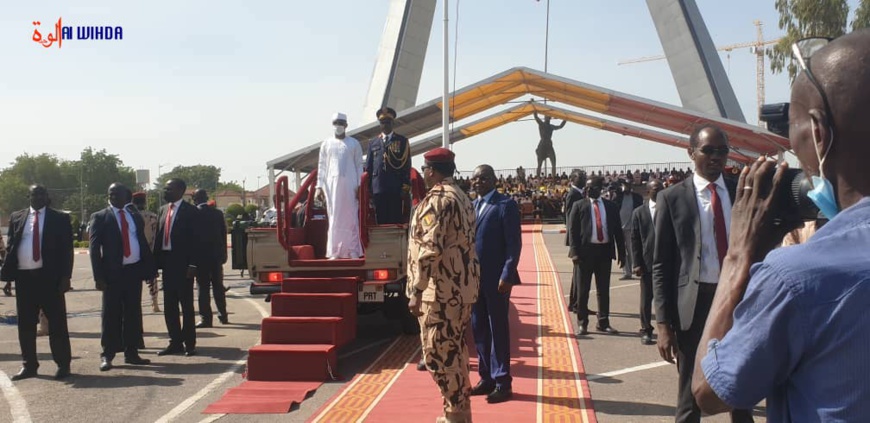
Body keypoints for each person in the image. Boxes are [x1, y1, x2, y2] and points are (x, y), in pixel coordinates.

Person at [692, 30, 870, 421]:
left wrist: (739, 254)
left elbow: (709, 391)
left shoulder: (796, 278)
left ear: (819, 133)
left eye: (791, 130)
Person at [652, 125, 752, 422]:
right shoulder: (672, 198)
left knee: (741, 387)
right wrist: (662, 324)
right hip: (693, 306)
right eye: (708, 150)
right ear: (691, 152)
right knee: (689, 395)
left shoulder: (741, 192)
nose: (716, 157)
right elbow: (661, 264)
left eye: (722, 151)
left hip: (737, 301)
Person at [407, 147, 479, 423]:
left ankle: (456, 413)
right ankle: (458, 411)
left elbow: (430, 248)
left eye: (425, 169)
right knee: (456, 351)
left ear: (432, 171)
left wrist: (416, 290)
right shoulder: (461, 196)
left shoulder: (437, 200)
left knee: (438, 354)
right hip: (462, 289)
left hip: (440, 291)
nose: (423, 174)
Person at [0, 184, 73, 380]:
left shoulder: (59, 218)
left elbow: (67, 250)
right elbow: (12, 247)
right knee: (26, 325)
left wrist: (66, 277)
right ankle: (29, 365)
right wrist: (8, 277)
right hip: (24, 279)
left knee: (57, 324)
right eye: (35, 194)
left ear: (47, 197)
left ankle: (63, 365)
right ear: (29, 196)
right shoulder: (17, 217)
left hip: (50, 279)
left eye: (42, 194)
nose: (38, 197)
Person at [469, 164, 522, 404]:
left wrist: (507, 274)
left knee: (497, 328)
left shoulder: (505, 205)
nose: (476, 183)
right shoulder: (473, 206)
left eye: (480, 179)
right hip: (474, 279)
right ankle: (486, 377)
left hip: (496, 279)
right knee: (479, 327)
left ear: (492, 180)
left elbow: (513, 244)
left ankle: (502, 381)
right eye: (474, 179)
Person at [88, 183, 154, 371]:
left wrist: (148, 269)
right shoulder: (100, 217)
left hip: (133, 271)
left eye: (118, 194)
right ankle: (107, 354)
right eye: (111, 194)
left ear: (127, 196)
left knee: (133, 313)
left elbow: (140, 241)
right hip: (112, 274)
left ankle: (131, 352)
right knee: (110, 314)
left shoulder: (133, 215)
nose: (114, 197)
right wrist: (98, 276)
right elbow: (94, 249)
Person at [567, 176, 624, 335]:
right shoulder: (579, 206)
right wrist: (574, 252)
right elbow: (572, 231)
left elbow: (618, 231)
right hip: (585, 254)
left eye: (592, 187)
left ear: (600, 188)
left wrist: (622, 253)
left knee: (603, 290)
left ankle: (603, 322)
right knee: (583, 290)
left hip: (604, 252)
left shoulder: (611, 206)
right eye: (587, 187)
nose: (588, 190)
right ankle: (582, 323)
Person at [154, 178, 200, 357]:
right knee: (169, 305)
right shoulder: (163, 210)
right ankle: (175, 342)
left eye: (168, 188)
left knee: (186, 305)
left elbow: (197, 240)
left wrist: (193, 264)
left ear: (180, 190)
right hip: (167, 263)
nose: (165, 191)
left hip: (184, 263)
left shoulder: (191, 212)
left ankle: (190, 343)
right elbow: (159, 237)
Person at [317, 112, 365, 259]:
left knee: (351, 218)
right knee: (334, 218)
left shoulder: (354, 143)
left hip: (350, 186)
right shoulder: (326, 144)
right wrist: (318, 187)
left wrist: (359, 186)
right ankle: (334, 251)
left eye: (341, 123)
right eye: (336, 123)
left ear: (346, 126)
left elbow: (359, 166)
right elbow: (322, 167)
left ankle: (353, 251)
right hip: (332, 187)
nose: (338, 126)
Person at [630, 179, 663, 345]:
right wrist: (637, 263)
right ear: (648, 192)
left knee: (666, 298)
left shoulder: (670, 208)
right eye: (656, 189)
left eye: (662, 188)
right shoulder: (639, 212)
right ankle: (646, 330)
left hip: (667, 262)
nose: (660, 191)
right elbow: (634, 240)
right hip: (647, 262)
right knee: (646, 299)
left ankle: (667, 329)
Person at [365, 107, 411, 225]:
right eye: (382, 123)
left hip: (395, 187)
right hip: (378, 188)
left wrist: (405, 187)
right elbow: (369, 167)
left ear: (393, 123)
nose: (385, 125)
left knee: (395, 220)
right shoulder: (373, 143)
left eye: (388, 122)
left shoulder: (402, 141)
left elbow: (406, 166)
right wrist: (368, 188)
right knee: (380, 220)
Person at [192, 189, 229, 327]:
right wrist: (224, 253)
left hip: (200, 257)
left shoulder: (194, 213)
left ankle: (206, 318)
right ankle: (223, 314)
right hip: (216, 256)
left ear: (195, 199)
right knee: (218, 286)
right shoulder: (217, 214)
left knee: (203, 289)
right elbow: (223, 234)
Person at [132, 192, 160, 312]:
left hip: (135, 253)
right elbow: (156, 235)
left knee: (134, 281)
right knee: (152, 280)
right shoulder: (153, 217)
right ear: (144, 202)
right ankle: (155, 303)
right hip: (150, 251)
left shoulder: (130, 216)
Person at [563, 172, 586, 312]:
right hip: (577, 239)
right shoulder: (573, 194)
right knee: (578, 273)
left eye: (584, 177)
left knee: (578, 273)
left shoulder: (580, 193)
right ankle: (575, 302)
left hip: (580, 238)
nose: (583, 180)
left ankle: (575, 302)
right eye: (580, 178)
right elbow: (571, 219)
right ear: (572, 179)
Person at [613, 179, 643, 280]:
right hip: (620, 228)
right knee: (623, 251)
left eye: (628, 185)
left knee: (631, 250)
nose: (627, 187)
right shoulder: (618, 197)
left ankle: (636, 267)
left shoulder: (637, 198)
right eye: (625, 185)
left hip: (631, 228)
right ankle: (627, 272)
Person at [533, 111, 566, 177]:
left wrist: (565, 119)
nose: (548, 118)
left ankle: (553, 180)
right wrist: (534, 109)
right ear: (545, 118)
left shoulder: (551, 126)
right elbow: (536, 117)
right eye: (547, 117)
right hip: (542, 145)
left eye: (549, 117)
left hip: (549, 145)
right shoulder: (541, 124)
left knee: (553, 163)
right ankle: (538, 179)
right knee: (539, 164)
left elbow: (560, 126)